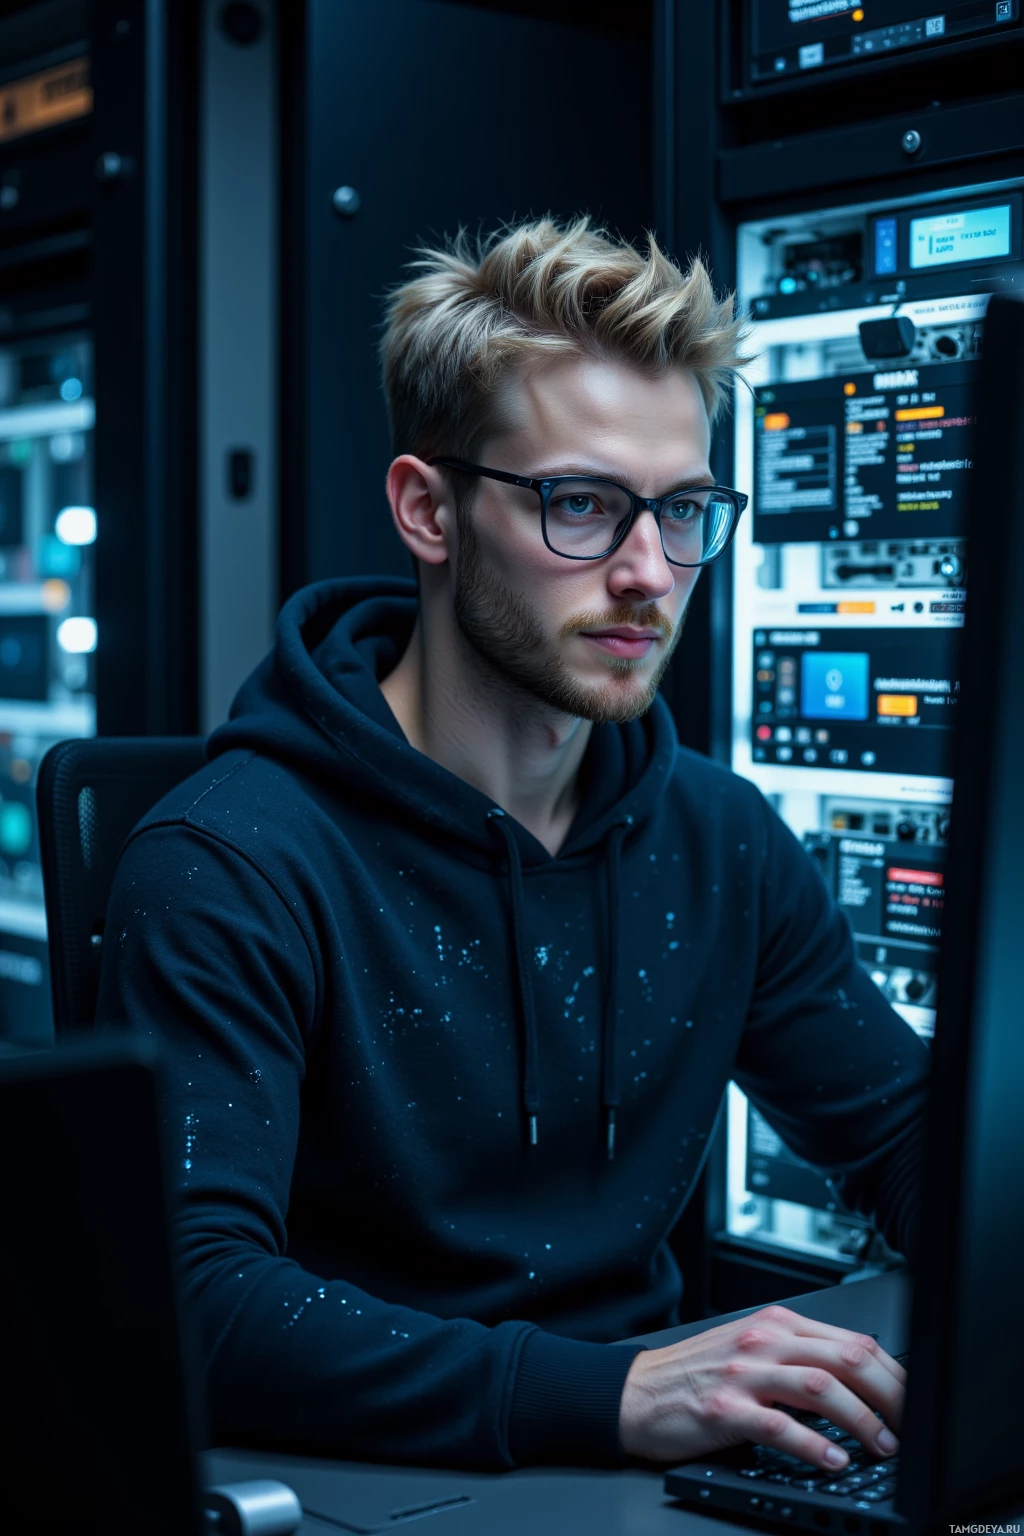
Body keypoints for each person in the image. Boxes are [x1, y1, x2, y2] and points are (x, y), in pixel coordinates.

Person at [96, 217, 926, 1476]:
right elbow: (193, 1303)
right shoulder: (226, 863)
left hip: (650, 1469)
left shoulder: (720, 837)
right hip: (362, 1487)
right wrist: (608, 1396)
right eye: (582, 505)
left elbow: (907, 1141)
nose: (652, 573)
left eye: (687, 510)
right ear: (428, 509)